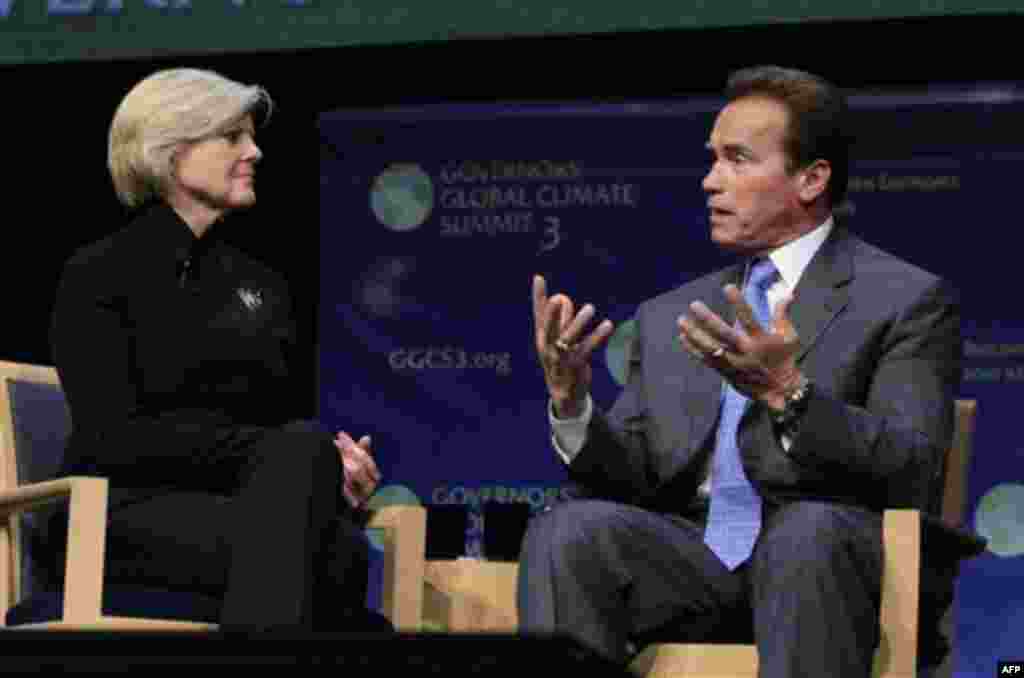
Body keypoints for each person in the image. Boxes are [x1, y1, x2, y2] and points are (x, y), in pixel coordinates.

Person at [522, 65, 969, 677]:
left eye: (737, 160)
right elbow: (631, 474)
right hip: (694, 563)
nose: (710, 182)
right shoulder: (673, 314)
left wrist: (789, 393)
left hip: (831, 569)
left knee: (804, 534)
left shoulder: (904, 300)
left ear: (811, 179)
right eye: (711, 160)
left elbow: (912, 464)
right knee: (569, 531)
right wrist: (571, 400)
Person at [45, 68, 384, 632]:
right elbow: (112, 437)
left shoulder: (263, 287)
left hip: (245, 509)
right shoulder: (98, 273)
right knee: (325, 553)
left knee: (334, 538)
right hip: (119, 512)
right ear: (170, 152)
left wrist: (334, 472)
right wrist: (278, 454)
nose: (254, 151)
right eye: (232, 137)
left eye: (251, 137)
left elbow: (281, 433)